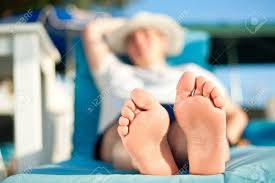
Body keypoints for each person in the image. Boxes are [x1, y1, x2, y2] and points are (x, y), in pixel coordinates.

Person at [82, 12, 248, 175]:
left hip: (182, 113)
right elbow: (92, 31)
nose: (139, 41)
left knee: (184, 135)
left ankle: (192, 150)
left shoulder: (191, 72)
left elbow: (237, 114)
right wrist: (128, 22)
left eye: (146, 34)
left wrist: (228, 138)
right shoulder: (113, 70)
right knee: (128, 135)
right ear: (126, 48)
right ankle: (148, 155)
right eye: (131, 39)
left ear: (164, 40)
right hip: (128, 119)